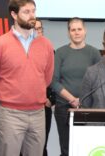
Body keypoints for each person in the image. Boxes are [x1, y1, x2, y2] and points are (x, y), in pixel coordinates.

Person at [0, 0, 54, 156]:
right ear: (14, 15)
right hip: (10, 114)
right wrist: (5, 96)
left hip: (38, 113)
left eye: (33, 11)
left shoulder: (46, 45)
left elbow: (47, 77)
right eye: (26, 12)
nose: (32, 16)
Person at [51, 17, 101, 156]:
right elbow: (53, 81)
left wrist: (82, 100)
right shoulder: (60, 52)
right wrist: (72, 99)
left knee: (87, 148)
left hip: (89, 107)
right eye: (73, 30)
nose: (77, 32)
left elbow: (99, 80)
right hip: (64, 108)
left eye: (79, 29)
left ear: (85, 31)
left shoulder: (94, 52)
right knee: (67, 148)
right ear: (68, 33)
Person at [34, 19, 56, 156]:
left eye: (39, 29)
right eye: (34, 28)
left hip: (43, 106)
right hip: (23, 107)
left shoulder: (49, 50)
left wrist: (51, 99)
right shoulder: (21, 49)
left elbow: (55, 77)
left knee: (41, 146)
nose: (37, 31)